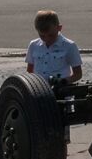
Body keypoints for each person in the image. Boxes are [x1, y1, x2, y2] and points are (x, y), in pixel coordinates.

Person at [27, 9, 82, 142]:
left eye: (50, 35)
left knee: (60, 136)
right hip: (39, 95)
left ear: (59, 28)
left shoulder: (69, 46)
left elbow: (78, 74)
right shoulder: (34, 45)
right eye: (42, 36)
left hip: (60, 95)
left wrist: (64, 80)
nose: (46, 39)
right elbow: (29, 72)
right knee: (38, 135)